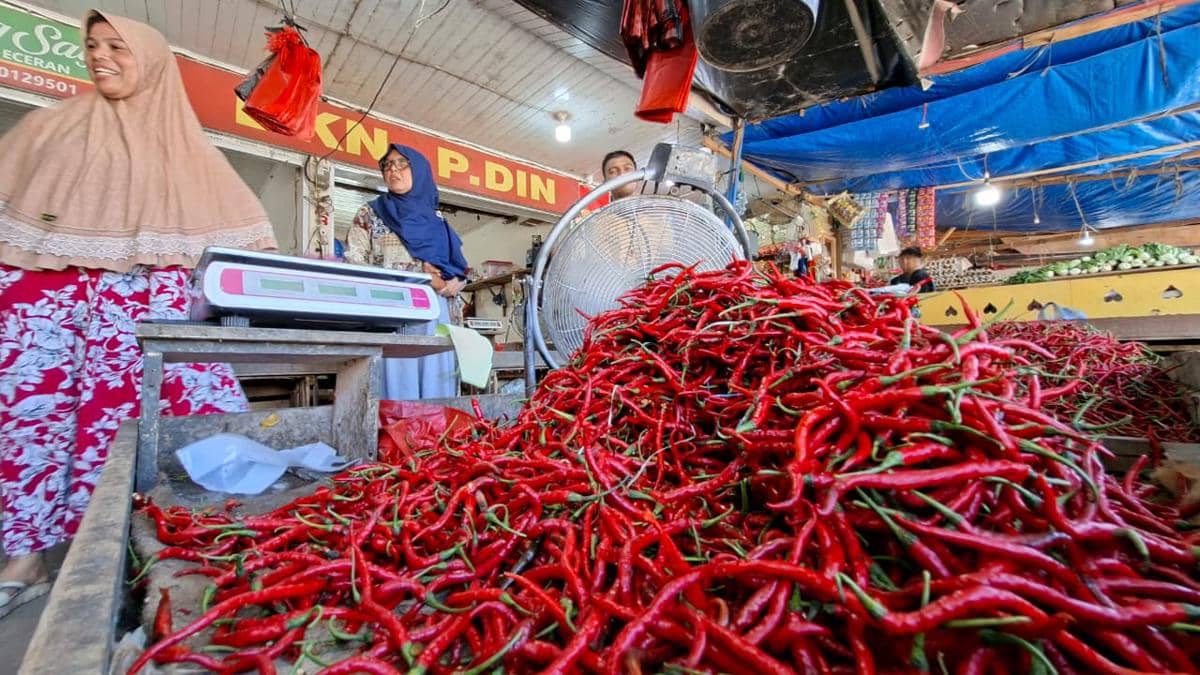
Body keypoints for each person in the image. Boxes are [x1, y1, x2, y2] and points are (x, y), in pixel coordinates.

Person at [0, 10, 276, 617]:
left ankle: (133, 550)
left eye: (117, 47)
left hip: (142, 299)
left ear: (150, 61)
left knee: (135, 420)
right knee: (32, 415)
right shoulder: (51, 128)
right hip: (52, 298)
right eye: (93, 45)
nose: (100, 56)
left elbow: (241, 236)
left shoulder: (182, 147)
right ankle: (24, 555)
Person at [344, 144, 469, 401]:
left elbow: (458, 269)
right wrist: (421, 274)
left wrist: (452, 283)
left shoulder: (437, 220)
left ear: (419, 169)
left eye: (402, 163)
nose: (393, 170)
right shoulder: (370, 214)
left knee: (436, 387)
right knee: (398, 388)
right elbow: (354, 267)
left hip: (437, 316)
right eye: (387, 165)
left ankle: (435, 440)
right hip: (392, 313)